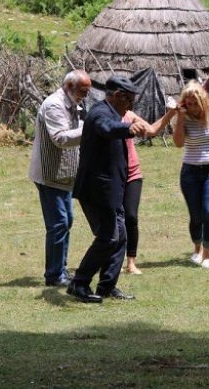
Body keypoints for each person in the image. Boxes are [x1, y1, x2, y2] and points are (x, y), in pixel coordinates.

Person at [67, 76, 146, 303]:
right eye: (130, 101)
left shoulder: (113, 112)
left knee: (119, 236)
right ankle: (79, 282)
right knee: (109, 237)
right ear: (119, 96)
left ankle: (106, 286)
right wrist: (128, 128)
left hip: (111, 190)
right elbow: (107, 128)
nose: (131, 107)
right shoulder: (100, 114)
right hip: (97, 190)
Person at [29, 70, 91, 287]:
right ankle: (55, 275)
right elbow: (60, 138)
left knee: (67, 221)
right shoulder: (54, 105)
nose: (86, 95)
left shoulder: (73, 102)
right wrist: (90, 129)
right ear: (69, 87)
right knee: (59, 223)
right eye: (83, 91)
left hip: (65, 174)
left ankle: (61, 269)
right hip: (50, 175)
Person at [173, 80, 209, 269]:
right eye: (188, 103)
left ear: (202, 101)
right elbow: (179, 143)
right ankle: (196, 248)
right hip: (189, 171)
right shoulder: (183, 116)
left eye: (195, 103)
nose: (192, 107)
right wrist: (180, 117)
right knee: (196, 215)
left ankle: (207, 254)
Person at [122, 107, 178, 275]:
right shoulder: (102, 115)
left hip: (132, 173)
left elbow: (152, 130)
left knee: (131, 217)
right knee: (113, 220)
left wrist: (171, 113)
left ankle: (131, 263)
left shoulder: (129, 115)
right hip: (111, 176)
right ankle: (112, 260)